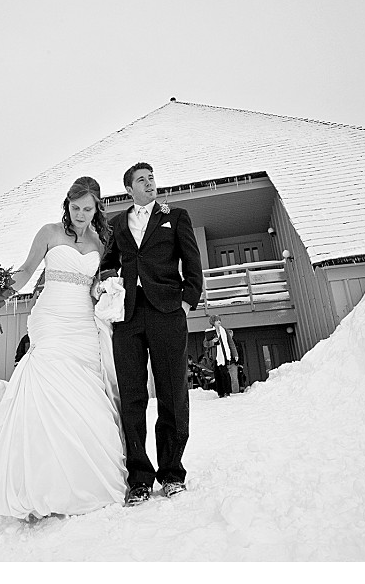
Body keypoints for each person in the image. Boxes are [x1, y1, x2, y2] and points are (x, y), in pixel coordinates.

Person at [0, 177, 127, 519]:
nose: (80, 214)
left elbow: (94, 285)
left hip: (83, 323)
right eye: (75, 207)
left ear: (96, 208)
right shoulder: (49, 232)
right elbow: (27, 270)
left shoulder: (100, 242)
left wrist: (104, 293)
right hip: (51, 318)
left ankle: (81, 478)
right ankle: (36, 485)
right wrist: (1, 292)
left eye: (87, 208)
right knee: (46, 386)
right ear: (67, 205)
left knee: (85, 396)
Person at [99, 162, 203, 506]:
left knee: (173, 393)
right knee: (132, 397)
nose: (150, 183)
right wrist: (110, 280)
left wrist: (186, 303)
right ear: (129, 189)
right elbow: (108, 261)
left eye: (152, 178)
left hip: (167, 313)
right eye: (142, 180)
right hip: (128, 317)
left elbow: (192, 262)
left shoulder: (176, 215)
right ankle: (139, 479)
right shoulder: (117, 223)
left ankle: (172, 473)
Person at [203, 315, 239, 398]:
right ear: (213, 322)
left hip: (224, 356)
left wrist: (235, 354)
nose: (219, 322)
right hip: (215, 357)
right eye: (217, 320)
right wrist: (212, 341)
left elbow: (231, 343)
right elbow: (205, 344)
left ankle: (227, 391)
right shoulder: (210, 332)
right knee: (218, 375)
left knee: (225, 373)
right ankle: (221, 393)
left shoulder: (224, 331)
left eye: (219, 320)